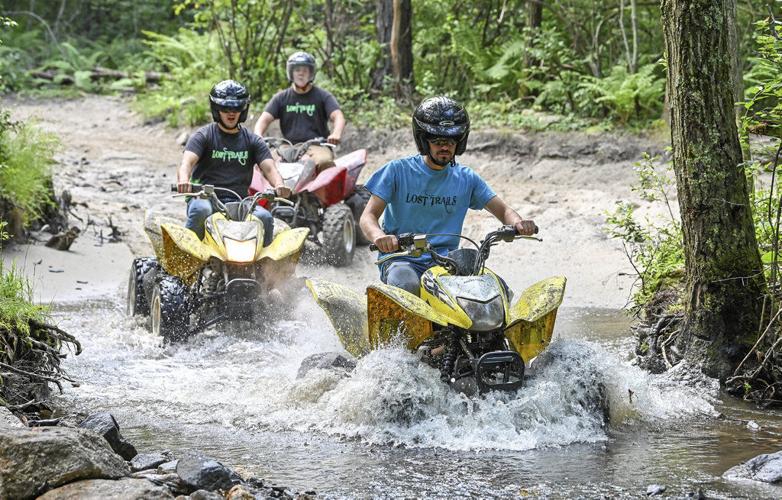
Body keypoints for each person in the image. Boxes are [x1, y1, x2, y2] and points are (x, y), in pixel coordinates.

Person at [359, 96, 537, 296]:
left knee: (498, 291)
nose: (445, 147)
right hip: (403, 259)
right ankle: (401, 328)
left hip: (450, 262)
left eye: (451, 141)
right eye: (438, 141)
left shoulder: (467, 178)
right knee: (407, 284)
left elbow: (503, 210)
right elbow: (368, 217)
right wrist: (380, 237)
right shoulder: (397, 171)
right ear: (424, 141)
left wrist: (519, 224)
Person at [176, 79, 291, 245]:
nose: (231, 113)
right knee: (201, 210)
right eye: (225, 108)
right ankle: (186, 257)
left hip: (240, 202)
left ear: (243, 109)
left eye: (236, 107)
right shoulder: (204, 136)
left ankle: (264, 267)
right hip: (206, 198)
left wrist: (279, 185)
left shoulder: (252, 140)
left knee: (265, 217)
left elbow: (270, 168)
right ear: (216, 109)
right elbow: (186, 163)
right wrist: (183, 181)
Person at [253, 51, 346, 171]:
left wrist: (336, 133)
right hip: (287, 145)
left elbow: (338, 116)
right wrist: (258, 135)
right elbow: (264, 119)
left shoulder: (322, 96)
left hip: (317, 145)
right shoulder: (281, 97)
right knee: (263, 163)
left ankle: (324, 190)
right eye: (297, 70)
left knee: (325, 162)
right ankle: (268, 189)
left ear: (311, 74)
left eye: (305, 70)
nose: (301, 74)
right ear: (291, 73)